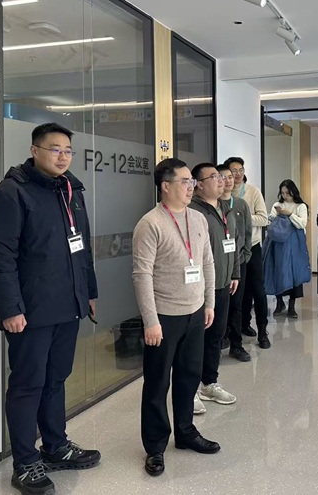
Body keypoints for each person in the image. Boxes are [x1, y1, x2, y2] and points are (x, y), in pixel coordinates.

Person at [0, 122, 100, 495]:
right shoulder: (11, 193)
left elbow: (82, 248)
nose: (62, 156)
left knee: (56, 379)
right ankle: (25, 463)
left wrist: (89, 292)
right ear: (34, 150)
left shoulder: (71, 190)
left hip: (68, 306)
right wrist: (10, 309)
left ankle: (55, 446)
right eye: (55, 149)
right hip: (30, 312)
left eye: (67, 150)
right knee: (27, 385)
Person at [133, 158, 220, 478]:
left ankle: (185, 432)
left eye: (192, 182)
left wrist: (209, 302)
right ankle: (155, 446)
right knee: (157, 383)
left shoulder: (198, 218)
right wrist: (150, 321)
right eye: (185, 181)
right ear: (165, 186)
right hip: (164, 318)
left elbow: (207, 262)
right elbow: (141, 275)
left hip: (195, 313)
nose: (191, 187)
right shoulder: (150, 224)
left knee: (188, 376)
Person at [189, 163, 241, 414]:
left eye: (221, 176)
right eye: (214, 177)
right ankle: (189, 391)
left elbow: (234, 243)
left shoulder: (225, 209)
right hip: (200, 289)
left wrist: (234, 273)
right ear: (198, 185)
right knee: (195, 341)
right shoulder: (193, 212)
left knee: (215, 338)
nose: (221, 180)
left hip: (223, 284)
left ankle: (209, 383)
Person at [225, 157, 271, 349]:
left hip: (252, 246)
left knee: (258, 290)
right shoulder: (223, 193)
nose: (237, 174)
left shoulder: (252, 191)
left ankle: (263, 331)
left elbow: (264, 219)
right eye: (233, 171)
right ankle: (238, 328)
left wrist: (242, 217)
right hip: (232, 250)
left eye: (240, 170)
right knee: (237, 292)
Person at [217, 164, 253, 362]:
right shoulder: (213, 206)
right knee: (220, 306)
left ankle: (236, 344)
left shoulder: (240, 204)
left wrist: (244, 256)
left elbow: (246, 233)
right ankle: (220, 340)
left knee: (236, 305)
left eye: (230, 177)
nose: (228, 180)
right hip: (219, 264)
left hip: (238, 262)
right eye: (223, 177)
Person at [268, 179, 310, 319]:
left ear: (293, 191)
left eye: (287, 192)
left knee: (294, 272)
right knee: (278, 270)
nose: (285, 195)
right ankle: (279, 302)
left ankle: (292, 306)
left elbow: (302, 224)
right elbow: (271, 220)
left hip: (295, 244)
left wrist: (289, 214)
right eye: (283, 193)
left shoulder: (301, 206)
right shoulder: (277, 205)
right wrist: (278, 215)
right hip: (278, 243)